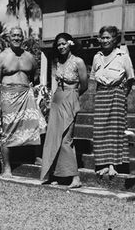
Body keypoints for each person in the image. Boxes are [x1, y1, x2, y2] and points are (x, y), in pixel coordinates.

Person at [0, 27, 47, 178]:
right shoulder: (2, 57)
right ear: (9, 38)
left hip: (26, 94)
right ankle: (7, 168)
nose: (16, 38)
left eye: (19, 35)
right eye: (14, 35)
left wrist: (27, 87)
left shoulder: (29, 57)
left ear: (23, 38)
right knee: (7, 130)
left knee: (39, 124)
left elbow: (34, 75)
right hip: (8, 96)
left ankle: (37, 156)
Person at [40, 33, 88, 189]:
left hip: (70, 97)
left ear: (70, 44)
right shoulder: (57, 62)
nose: (61, 47)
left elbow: (84, 85)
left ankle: (75, 177)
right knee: (54, 138)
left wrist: (73, 96)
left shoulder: (78, 62)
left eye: (63, 44)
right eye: (58, 44)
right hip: (57, 99)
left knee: (66, 138)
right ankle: (56, 174)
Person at [90, 25, 135, 176]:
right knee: (100, 130)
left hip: (117, 95)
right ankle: (102, 163)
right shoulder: (97, 57)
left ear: (115, 39)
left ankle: (113, 166)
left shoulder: (123, 56)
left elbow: (130, 79)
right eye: (102, 37)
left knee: (115, 130)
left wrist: (122, 95)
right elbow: (93, 77)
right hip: (101, 94)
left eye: (108, 37)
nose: (105, 40)